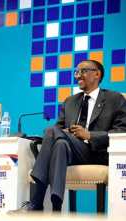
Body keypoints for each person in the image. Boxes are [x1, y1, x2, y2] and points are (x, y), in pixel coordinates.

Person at [17, 60, 126, 212]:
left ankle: (36, 201)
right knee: (59, 142)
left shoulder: (115, 99)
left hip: (98, 153)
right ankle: (56, 207)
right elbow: (58, 129)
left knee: (51, 132)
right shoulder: (70, 101)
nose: (78, 76)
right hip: (71, 152)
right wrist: (66, 133)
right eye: (76, 72)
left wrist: (89, 135)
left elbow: (121, 132)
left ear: (97, 74)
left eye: (83, 71)